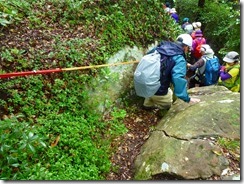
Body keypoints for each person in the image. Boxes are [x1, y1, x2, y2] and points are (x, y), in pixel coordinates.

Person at [143, 33, 201, 110]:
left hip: (144, 84)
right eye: (188, 49)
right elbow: (178, 78)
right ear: (185, 47)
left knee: (153, 88)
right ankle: (162, 111)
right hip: (159, 90)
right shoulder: (179, 59)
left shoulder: (160, 48)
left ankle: (147, 105)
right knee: (169, 100)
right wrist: (187, 98)